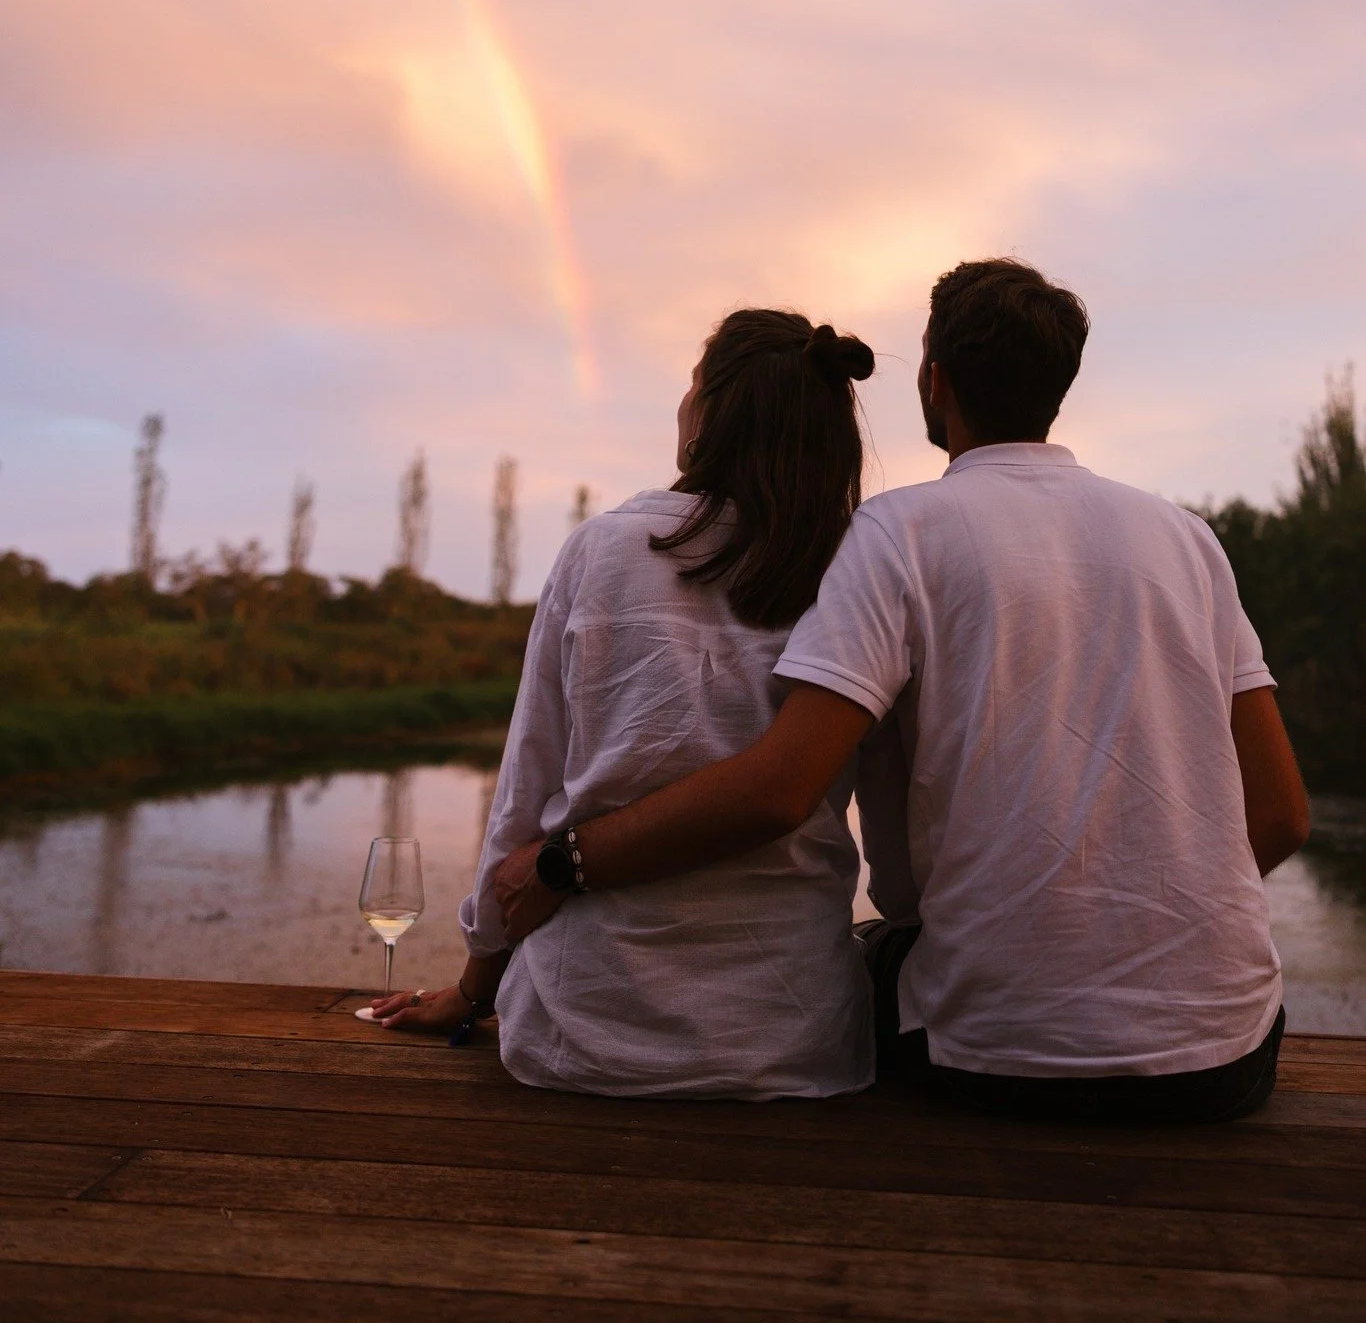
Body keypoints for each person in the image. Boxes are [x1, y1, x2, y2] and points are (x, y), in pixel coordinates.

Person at [496, 260, 1310, 1126]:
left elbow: (781, 790)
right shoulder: (1189, 541)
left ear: (934, 379)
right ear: (1061, 385)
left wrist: (561, 863)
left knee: (878, 956)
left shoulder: (901, 532)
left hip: (997, 1057)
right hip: (1227, 1059)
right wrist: (1136, 922)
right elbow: (1283, 818)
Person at [370, 307, 878, 1099]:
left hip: (587, 1038)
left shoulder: (607, 551)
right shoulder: (856, 571)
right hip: (790, 1040)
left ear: (711, 415)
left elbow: (524, 796)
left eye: (692, 385)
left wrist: (473, 992)